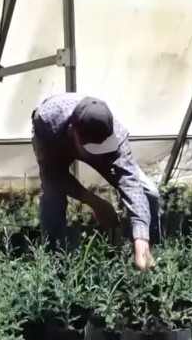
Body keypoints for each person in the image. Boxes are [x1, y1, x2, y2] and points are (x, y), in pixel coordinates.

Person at [31, 93, 159, 270]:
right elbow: (53, 174)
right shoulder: (47, 121)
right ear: (72, 132)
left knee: (149, 192)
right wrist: (96, 202)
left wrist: (141, 238)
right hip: (57, 142)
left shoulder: (115, 133)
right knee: (52, 195)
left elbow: (132, 185)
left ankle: (144, 254)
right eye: (94, 148)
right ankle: (52, 265)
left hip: (92, 143)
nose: (98, 152)